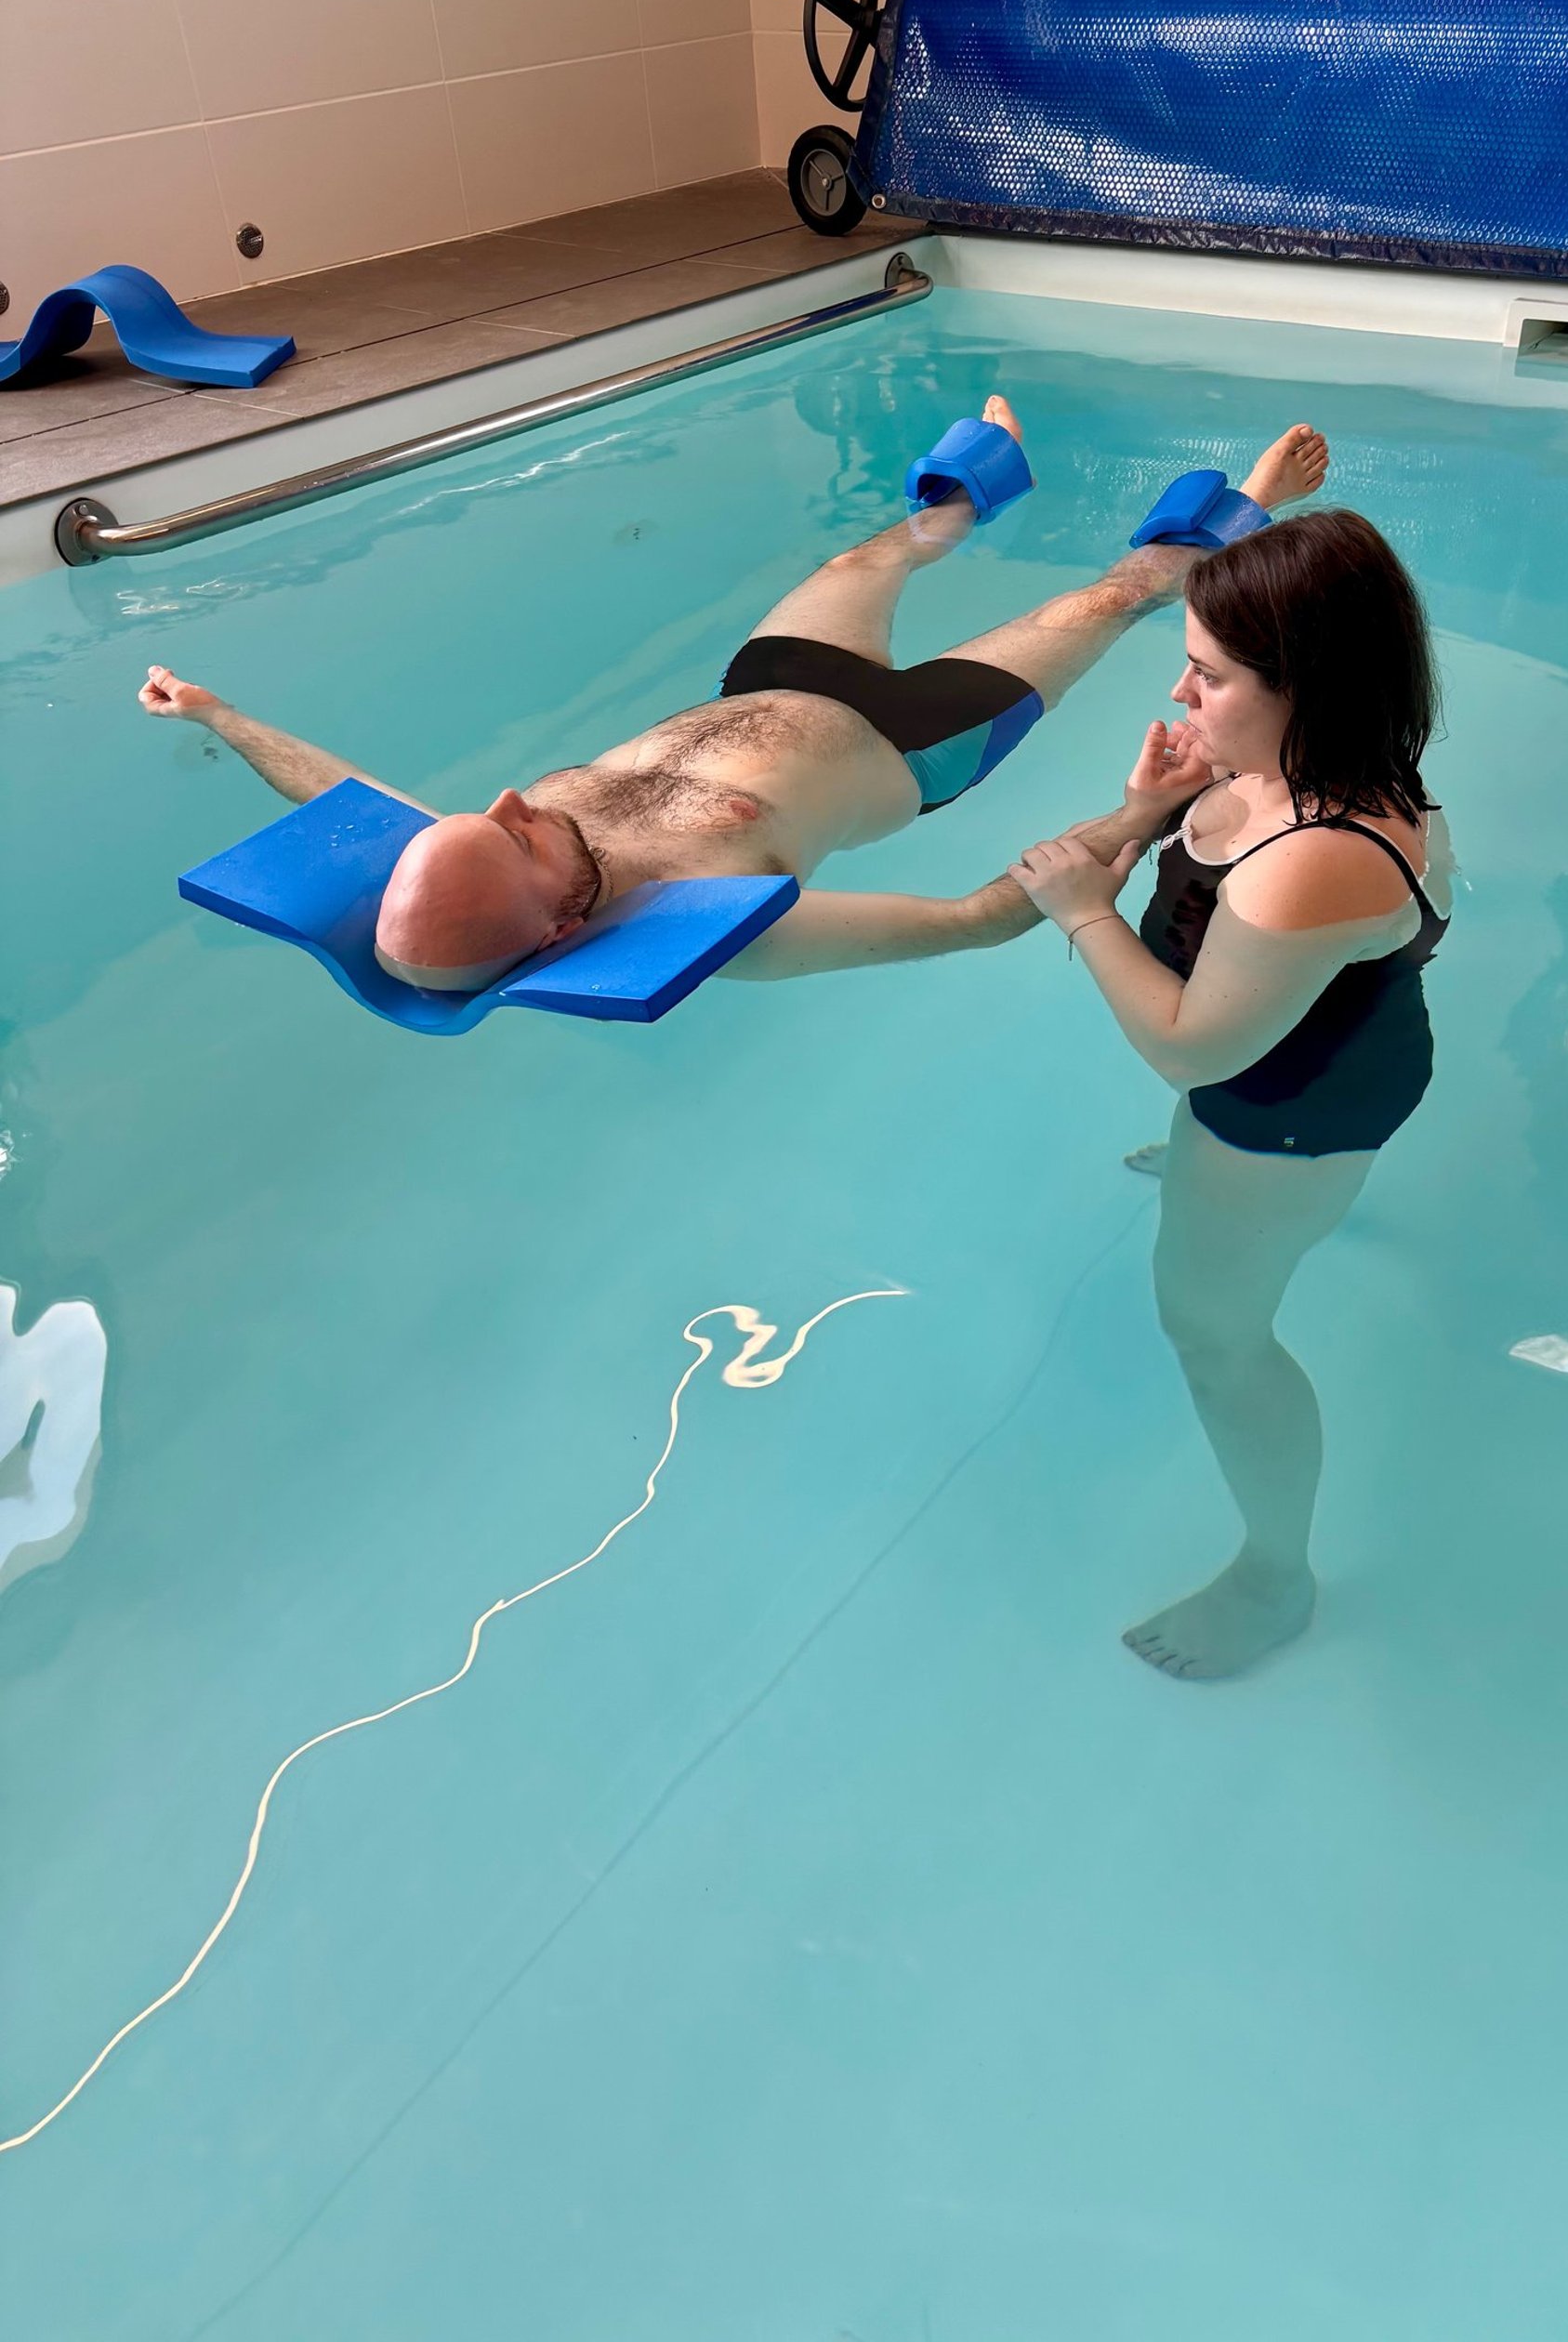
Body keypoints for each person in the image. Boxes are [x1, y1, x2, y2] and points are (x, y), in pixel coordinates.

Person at [139, 403, 1330, 989]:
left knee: (876, 552)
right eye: (512, 835)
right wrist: (1141, 814)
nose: (507, 801)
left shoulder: (478, 856)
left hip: (769, 683)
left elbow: (341, 800)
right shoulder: (708, 922)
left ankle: (972, 494)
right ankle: (1249, 502)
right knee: (1112, 599)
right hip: (915, 743)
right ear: (556, 929)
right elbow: (969, 918)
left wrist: (217, 714)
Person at [1010, 509, 1451, 1681]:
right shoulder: (1324, 759)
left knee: (1212, 1332)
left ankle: (1274, 1577)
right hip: (1336, 1059)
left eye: (1208, 674)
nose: (1181, 691)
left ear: (1304, 686)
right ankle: (1260, 1195)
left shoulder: (1317, 853)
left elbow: (1189, 1053)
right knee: (1224, 1182)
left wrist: (1085, 914)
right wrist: (1157, 804)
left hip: (1284, 1114)